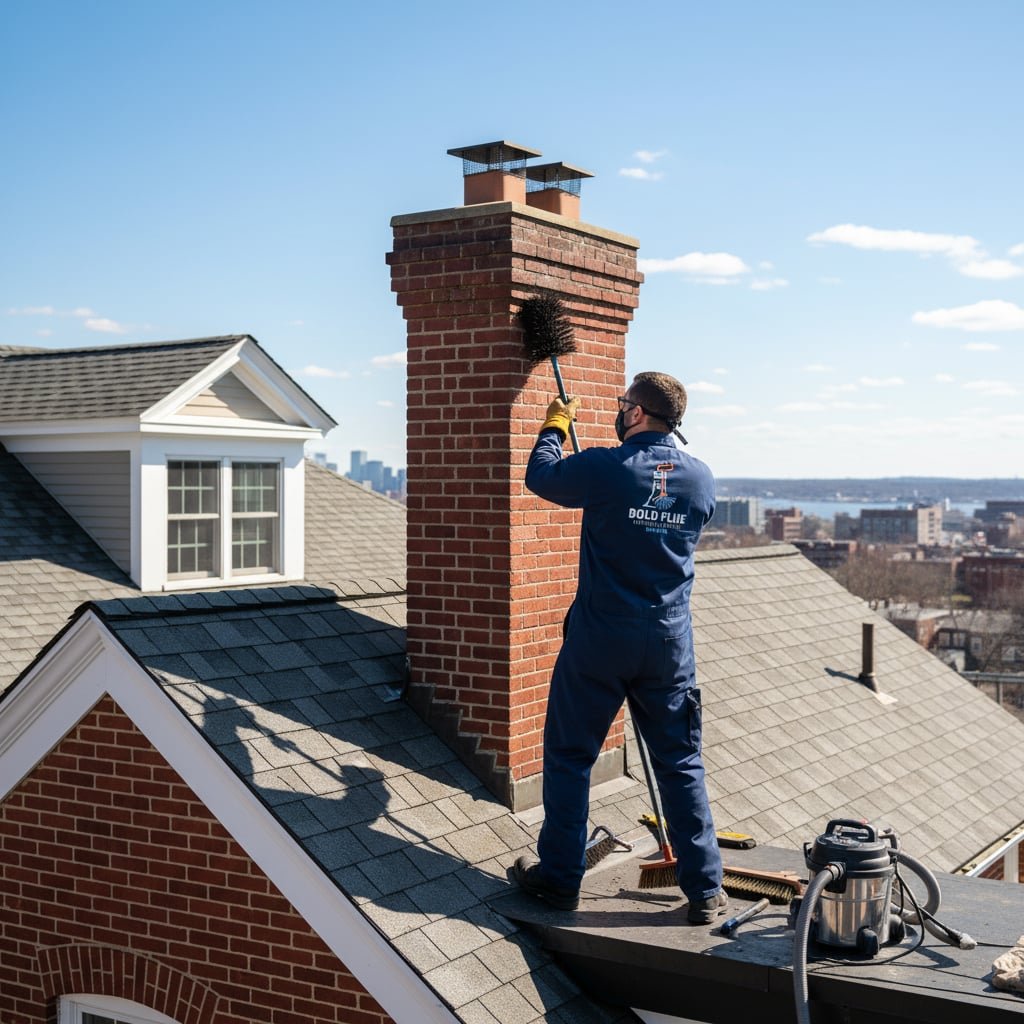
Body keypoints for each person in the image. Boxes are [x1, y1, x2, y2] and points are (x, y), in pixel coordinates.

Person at [512, 371, 726, 923]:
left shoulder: (608, 467)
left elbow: (541, 476)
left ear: (635, 413)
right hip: (668, 643)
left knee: (570, 757)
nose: (618, 409)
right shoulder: (701, 478)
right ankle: (706, 890)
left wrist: (555, 426)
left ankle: (560, 879)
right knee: (680, 761)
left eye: (622, 402)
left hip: (601, 640)